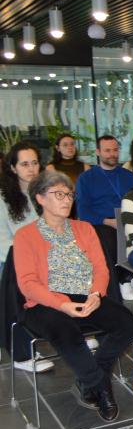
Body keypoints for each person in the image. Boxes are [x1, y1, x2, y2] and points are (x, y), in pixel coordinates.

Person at [15, 170, 133, 421]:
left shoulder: (83, 228)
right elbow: (28, 284)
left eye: (69, 194)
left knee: (129, 324)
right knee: (66, 332)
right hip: (44, 303)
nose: (66, 200)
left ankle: (91, 379)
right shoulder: (25, 235)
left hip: (86, 295)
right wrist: (62, 304)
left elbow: (101, 268)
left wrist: (96, 293)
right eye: (58, 194)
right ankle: (101, 387)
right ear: (40, 199)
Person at [0, 142, 55, 373]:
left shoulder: (44, 193)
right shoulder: (4, 197)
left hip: (43, 256)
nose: (31, 169)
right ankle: (22, 353)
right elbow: (4, 241)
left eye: (34, 163)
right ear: (13, 168)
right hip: (10, 259)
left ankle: (77, 329)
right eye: (24, 164)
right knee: (18, 285)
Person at [75, 135, 133, 301]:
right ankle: (122, 279)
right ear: (98, 152)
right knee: (110, 239)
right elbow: (83, 211)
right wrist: (108, 221)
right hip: (101, 222)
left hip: (127, 218)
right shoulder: (86, 179)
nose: (112, 154)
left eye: (115, 150)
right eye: (107, 150)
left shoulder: (129, 176)